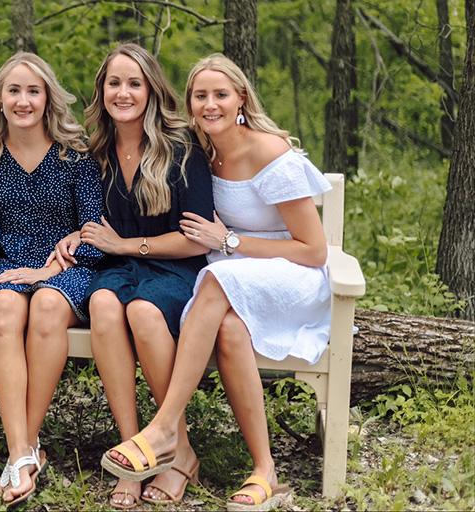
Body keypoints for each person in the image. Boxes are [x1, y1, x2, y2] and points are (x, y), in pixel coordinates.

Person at [98, 53, 331, 512]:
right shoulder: (202, 151)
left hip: (291, 274)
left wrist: (228, 241)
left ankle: (165, 427)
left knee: (216, 280)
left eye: (220, 95)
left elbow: (313, 250)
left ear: (240, 98)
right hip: (237, 273)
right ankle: (265, 469)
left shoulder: (269, 152)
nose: (210, 105)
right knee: (228, 328)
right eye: (200, 96)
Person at [0, 52, 103, 507]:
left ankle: (23, 447)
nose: (23, 101)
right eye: (14, 91)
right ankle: (21, 451)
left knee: (46, 304)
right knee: (6, 308)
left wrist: (49, 270)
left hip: (68, 265)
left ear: (48, 98)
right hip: (10, 262)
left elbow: (93, 229)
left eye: (33, 91)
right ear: (1, 98)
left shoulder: (75, 153)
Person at [50, 43, 213, 509]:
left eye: (134, 84)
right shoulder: (96, 150)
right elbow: (27, 124)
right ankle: (134, 452)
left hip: (175, 266)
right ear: (101, 91)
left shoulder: (182, 148)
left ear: (151, 91)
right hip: (118, 267)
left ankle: (178, 449)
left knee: (143, 311)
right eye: (114, 83)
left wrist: (126, 245)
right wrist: (77, 235)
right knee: (102, 303)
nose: (123, 93)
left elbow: (197, 239)